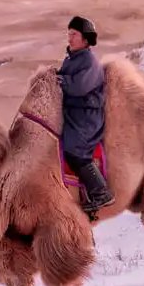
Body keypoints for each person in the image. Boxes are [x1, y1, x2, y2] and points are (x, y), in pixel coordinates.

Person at [57, 15, 114, 212]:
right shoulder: (71, 59)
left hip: (86, 119)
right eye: (69, 34)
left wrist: (61, 81)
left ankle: (100, 192)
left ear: (86, 39)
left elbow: (79, 87)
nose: (70, 38)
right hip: (73, 114)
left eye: (74, 34)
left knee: (75, 151)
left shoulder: (89, 61)